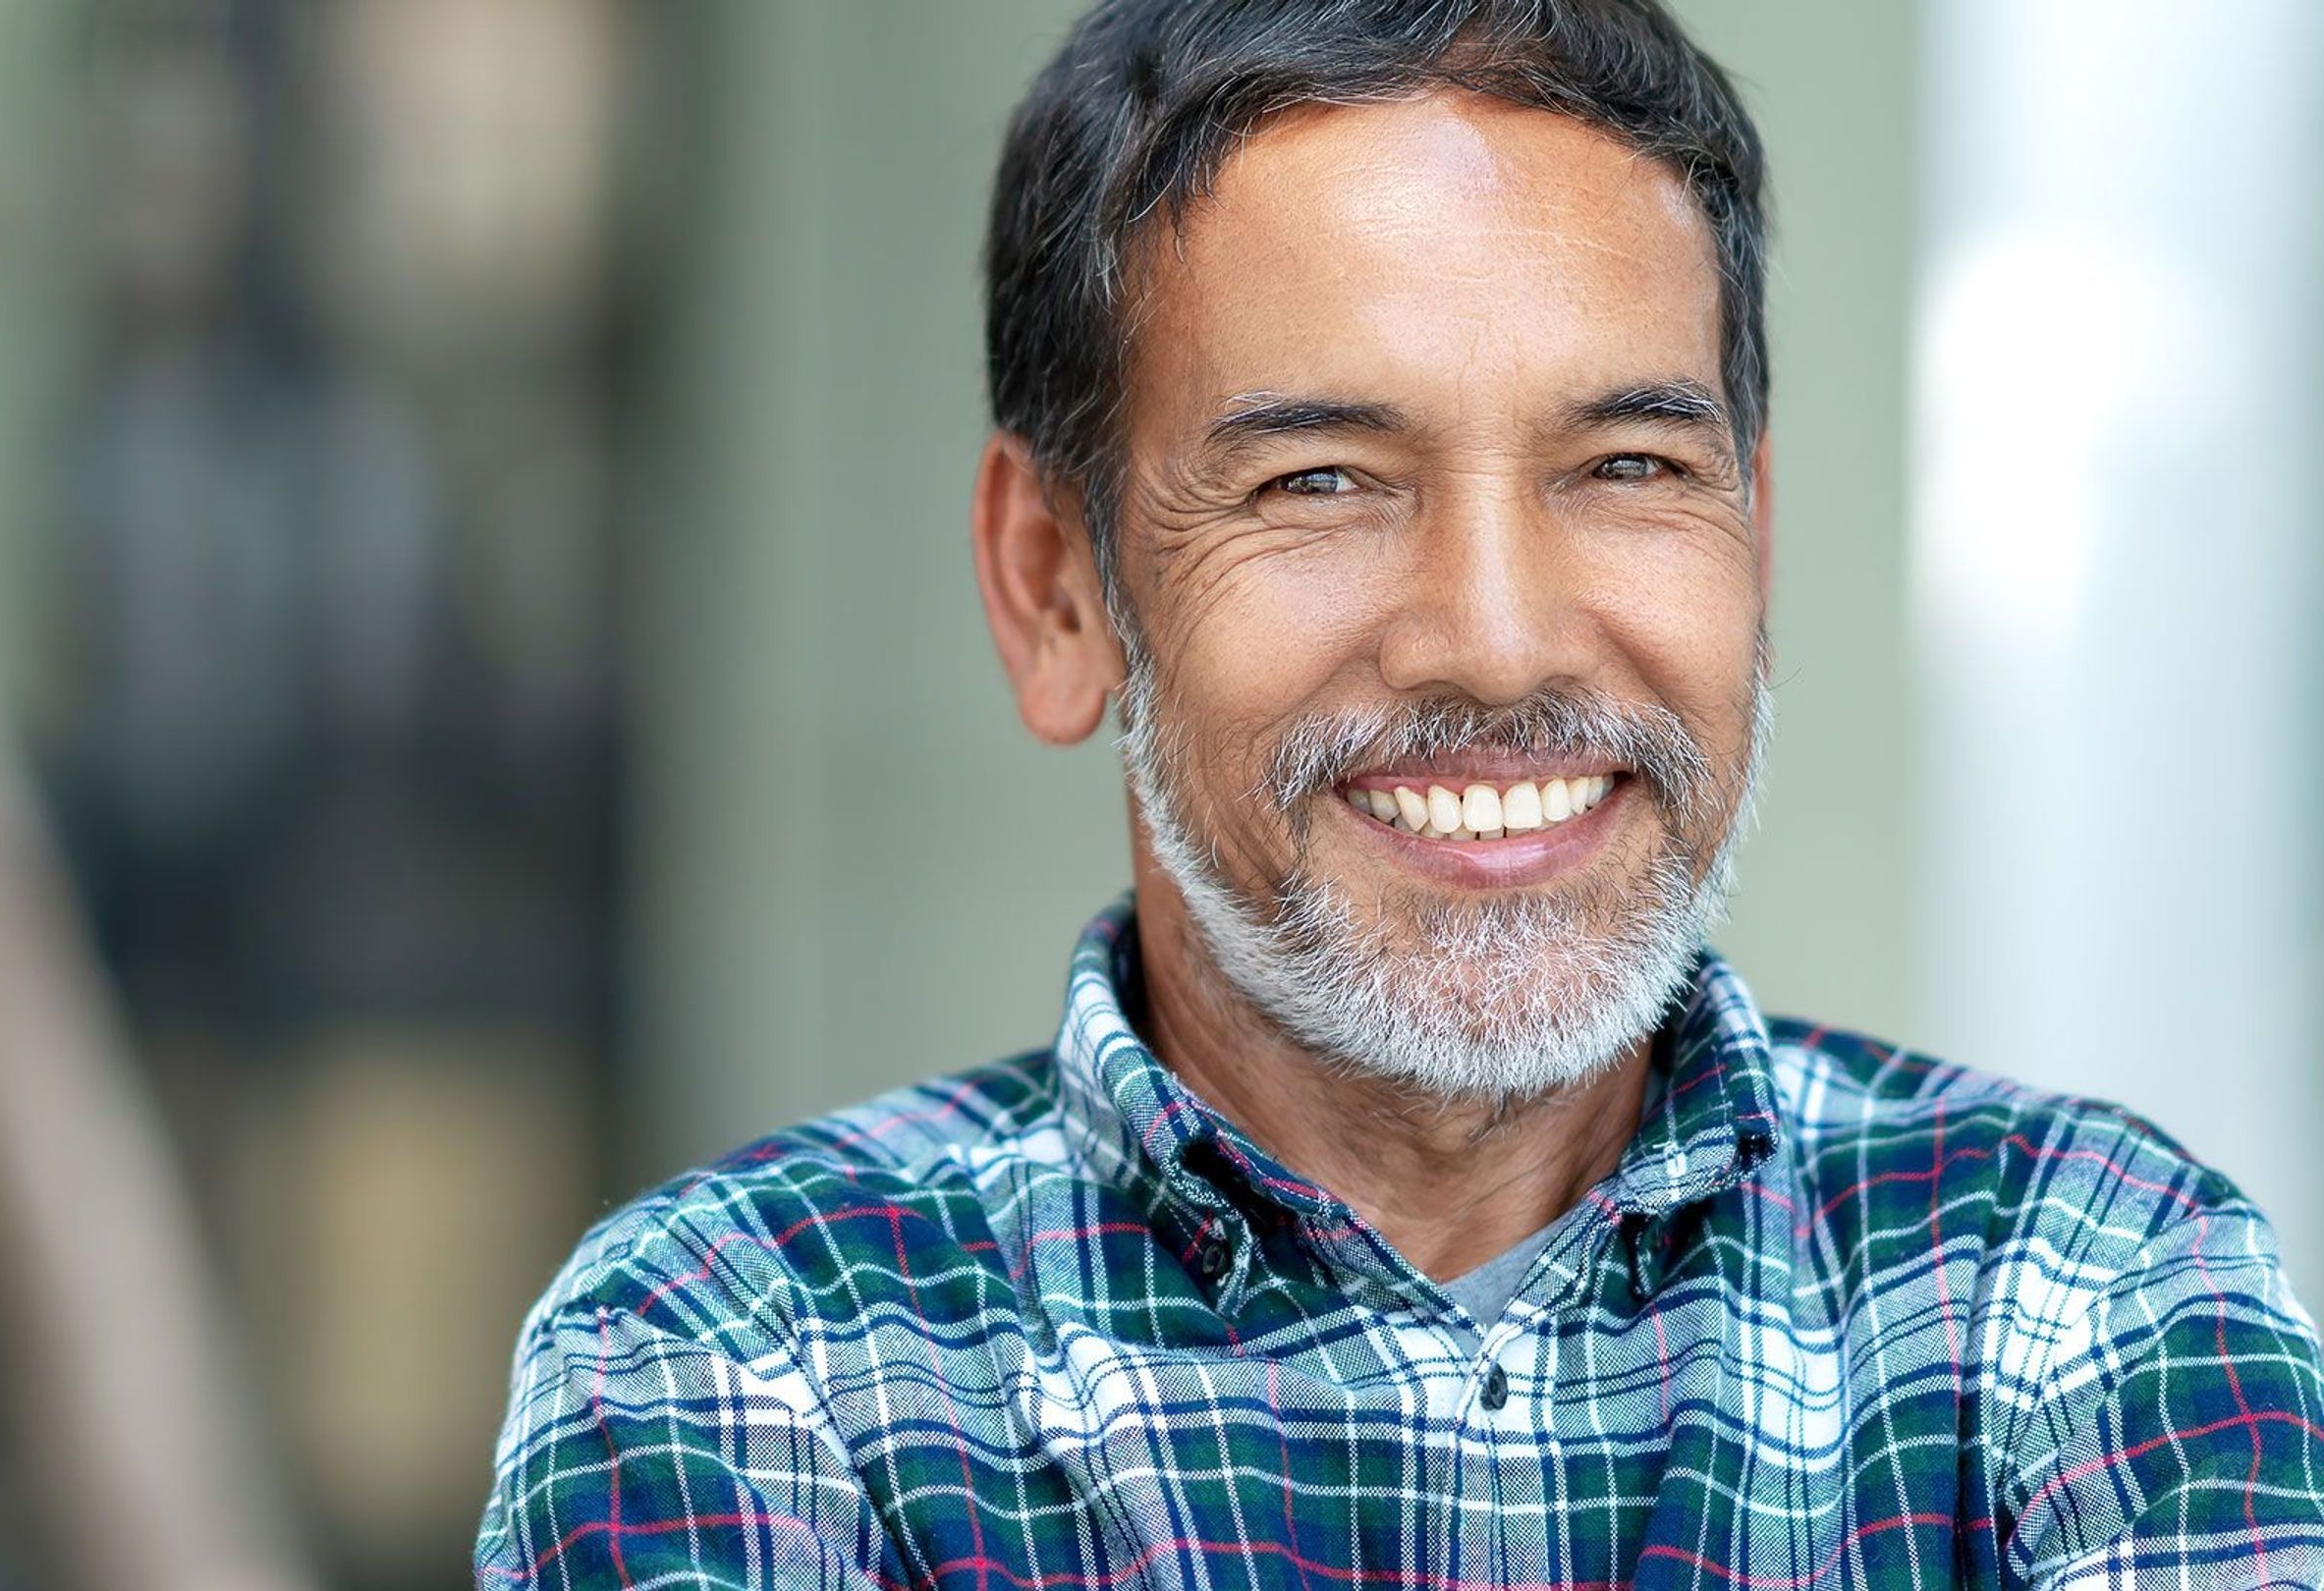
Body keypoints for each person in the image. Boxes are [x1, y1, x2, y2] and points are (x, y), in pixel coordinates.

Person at [478, 1, 2324, 1585]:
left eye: (1625, 462)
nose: (1502, 644)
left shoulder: (2081, 1290)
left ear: (1754, 537)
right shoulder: (751, 1357)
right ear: (1055, 586)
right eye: (1325, 484)